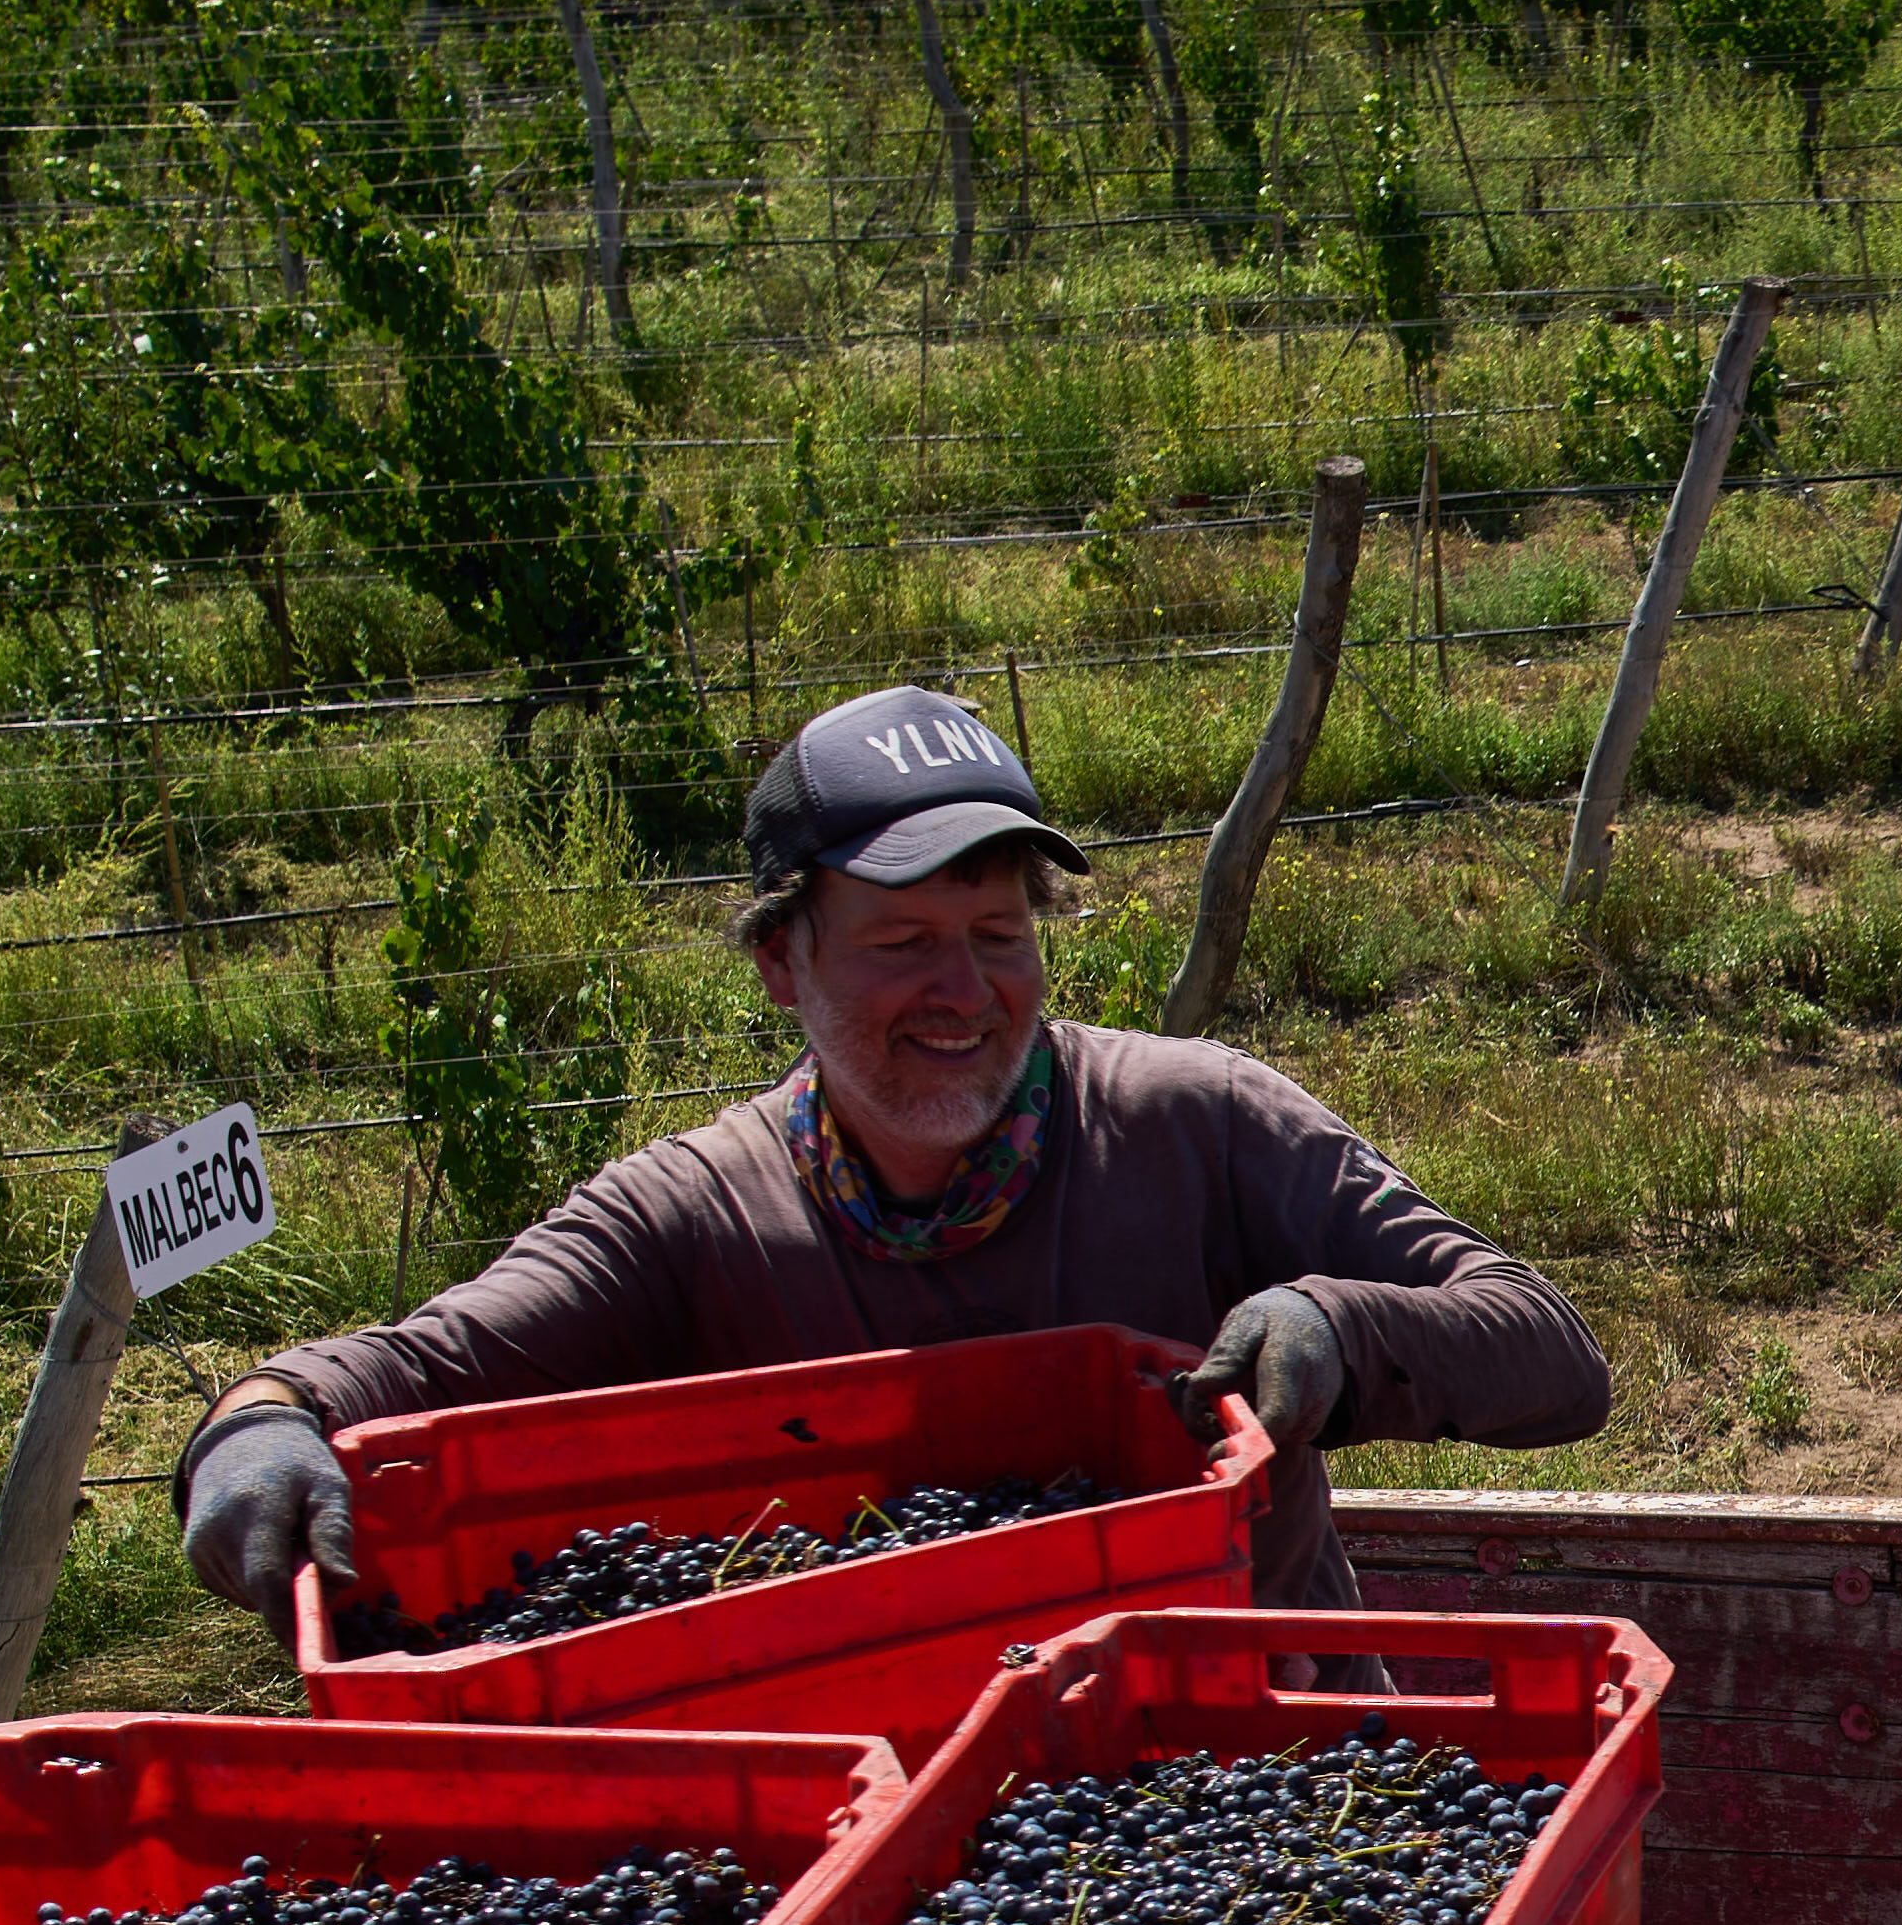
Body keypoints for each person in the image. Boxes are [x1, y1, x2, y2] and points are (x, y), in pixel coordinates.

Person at [172, 687, 1610, 1615]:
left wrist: (1338, 1331)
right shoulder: (699, 1217)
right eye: (903, 945)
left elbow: (1550, 1351)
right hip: (885, 1833)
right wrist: (258, 1423)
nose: (966, 995)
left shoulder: (1195, 1122)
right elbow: (423, 1366)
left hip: (1254, 1789)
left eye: (999, 939)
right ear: (780, 968)